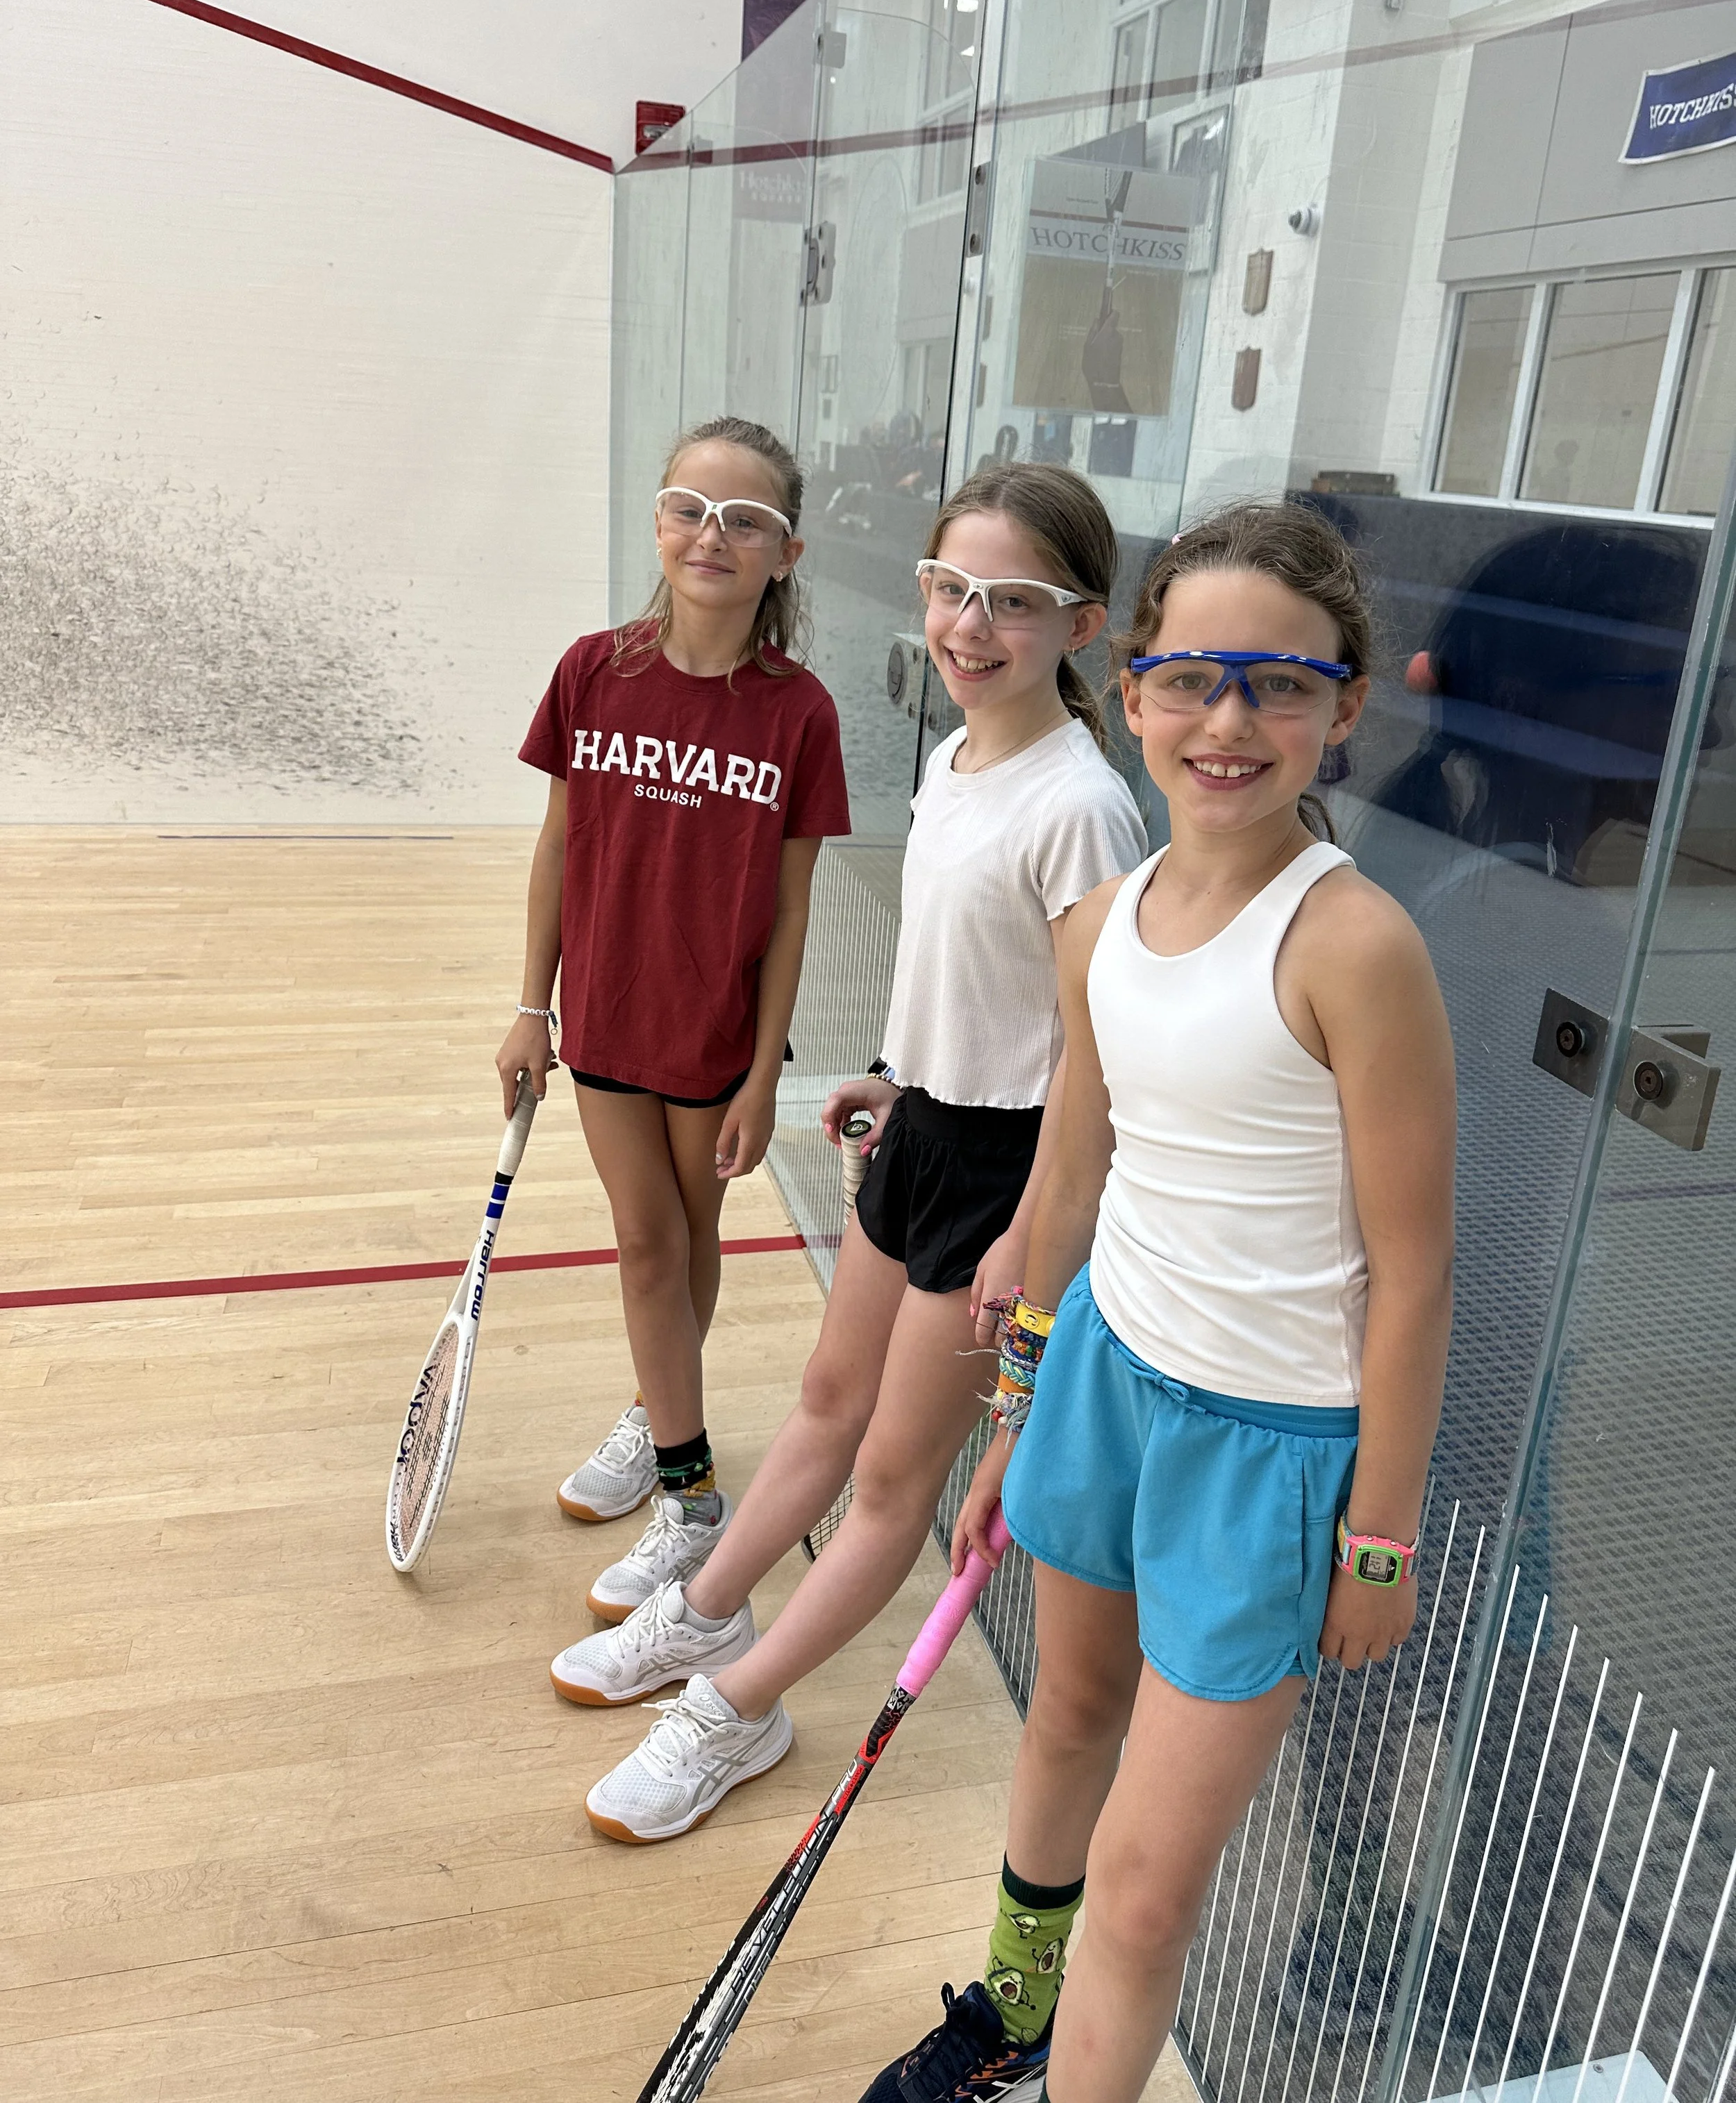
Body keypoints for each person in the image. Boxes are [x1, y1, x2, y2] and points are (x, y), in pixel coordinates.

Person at [863, 501, 1456, 2102]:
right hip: (1103, 1386)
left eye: (1278, 683)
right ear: (1128, 693)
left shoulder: (1355, 944)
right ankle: (1009, 2013)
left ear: (1342, 710)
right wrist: (1021, 1405)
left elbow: (1413, 1271)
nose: (1227, 720)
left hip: (1266, 1458)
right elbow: (1066, 1184)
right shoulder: (1105, 926)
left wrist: (1378, 1533)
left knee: (1142, 1887)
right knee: (1062, 1722)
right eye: (1191, 676)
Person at [558, 462, 1149, 1846]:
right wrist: (890, 1071)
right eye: (951, 589)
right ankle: (705, 1612)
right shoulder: (952, 757)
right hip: (926, 1131)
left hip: (1011, 1177)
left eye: (1014, 601)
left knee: (892, 1476)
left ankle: (739, 1707)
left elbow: (1091, 1052)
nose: (968, 624)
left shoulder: (1081, 807)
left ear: (1082, 626)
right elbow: (966, 974)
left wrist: (1027, 1242)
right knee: (827, 1397)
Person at [496, 417, 851, 1631]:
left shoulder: (798, 712)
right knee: (647, 1244)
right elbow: (557, 847)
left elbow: (795, 906)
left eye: (745, 519)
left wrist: (765, 1077)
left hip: (713, 1037)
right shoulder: (593, 669)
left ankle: (661, 1417)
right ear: (658, 523)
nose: (715, 535)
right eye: (692, 509)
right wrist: (528, 1005)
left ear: (784, 553)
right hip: (600, 1013)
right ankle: (690, 1491)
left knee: (689, 1247)